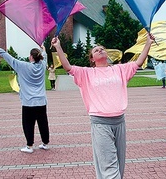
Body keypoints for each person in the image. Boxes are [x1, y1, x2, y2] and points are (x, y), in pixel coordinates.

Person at [52, 33, 154, 179]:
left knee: (119, 164)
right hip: (100, 123)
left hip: (119, 121)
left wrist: (148, 43)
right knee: (109, 167)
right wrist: (58, 46)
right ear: (92, 59)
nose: (100, 50)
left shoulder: (119, 69)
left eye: (102, 49)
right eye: (96, 50)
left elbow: (138, 62)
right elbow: (67, 66)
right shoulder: (86, 73)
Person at [0, 45, 50, 153]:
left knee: (28, 124)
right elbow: (45, 55)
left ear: (31, 57)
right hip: (41, 101)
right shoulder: (43, 66)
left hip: (28, 102)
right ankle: (45, 143)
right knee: (43, 123)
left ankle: (29, 146)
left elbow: (9, 58)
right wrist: (44, 48)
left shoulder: (23, 66)